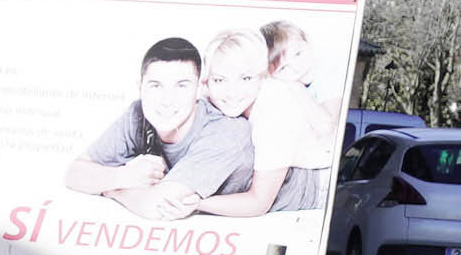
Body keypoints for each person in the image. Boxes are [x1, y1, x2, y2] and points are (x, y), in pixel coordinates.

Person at [66, 37, 256, 220]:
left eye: (181, 86)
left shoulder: (226, 133)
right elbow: (74, 173)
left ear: (199, 89)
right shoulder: (138, 113)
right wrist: (122, 176)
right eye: (156, 85)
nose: (167, 101)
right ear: (140, 87)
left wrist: (113, 189)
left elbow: (158, 207)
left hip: (275, 220)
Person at [187, 27, 334, 215]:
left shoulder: (272, 114)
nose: (232, 92)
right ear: (207, 82)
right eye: (220, 80)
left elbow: (259, 202)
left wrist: (197, 204)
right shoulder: (232, 99)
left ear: (262, 76)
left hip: (317, 186)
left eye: (245, 78)